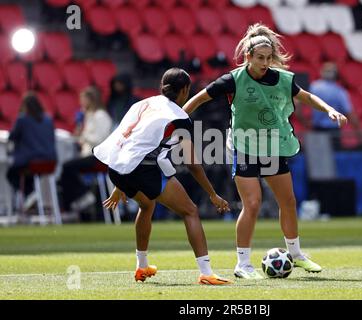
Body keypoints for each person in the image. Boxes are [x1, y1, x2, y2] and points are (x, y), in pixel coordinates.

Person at [183, 23, 348, 279]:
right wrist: (178, 116)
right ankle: (243, 264)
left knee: (289, 201)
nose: (264, 62)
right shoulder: (233, 79)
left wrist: (329, 110)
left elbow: (306, 97)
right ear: (248, 57)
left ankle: (296, 254)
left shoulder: (282, 79)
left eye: (268, 58)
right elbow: (201, 97)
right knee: (252, 203)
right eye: (259, 58)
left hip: (272, 146)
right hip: (244, 146)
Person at [94, 68, 232, 285]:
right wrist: (213, 194)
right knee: (190, 211)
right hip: (141, 169)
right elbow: (192, 163)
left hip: (115, 167)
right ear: (185, 90)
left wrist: (119, 183)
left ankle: (141, 266)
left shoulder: (143, 103)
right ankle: (206, 272)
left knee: (147, 206)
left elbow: (128, 140)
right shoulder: (178, 117)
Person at [59, 86, 112, 214]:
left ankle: (83, 194)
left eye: (83, 100)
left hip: (98, 156)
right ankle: (76, 201)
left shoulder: (101, 116)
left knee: (67, 167)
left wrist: (83, 136)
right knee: (66, 170)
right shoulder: (89, 116)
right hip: (89, 153)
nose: (81, 103)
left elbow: (100, 138)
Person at [7, 92, 57, 205]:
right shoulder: (48, 120)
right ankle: (30, 196)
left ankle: (29, 195)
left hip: (31, 161)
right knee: (29, 176)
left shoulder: (22, 120)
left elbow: (12, 137)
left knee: (11, 174)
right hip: (50, 161)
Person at [306, 62, 362, 149]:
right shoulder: (340, 92)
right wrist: (360, 137)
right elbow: (350, 114)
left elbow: (297, 106)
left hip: (317, 131)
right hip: (333, 133)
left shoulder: (313, 87)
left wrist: (305, 122)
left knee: (316, 158)